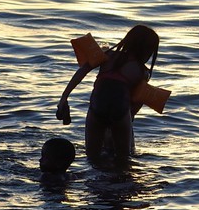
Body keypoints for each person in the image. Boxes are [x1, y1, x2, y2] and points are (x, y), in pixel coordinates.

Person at [56, 24, 160, 166]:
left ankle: (93, 184)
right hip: (121, 111)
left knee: (92, 158)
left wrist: (64, 97)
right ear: (148, 51)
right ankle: (119, 185)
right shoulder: (142, 72)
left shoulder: (106, 55)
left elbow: (81, 72)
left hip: (97, 107)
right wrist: (125, 123)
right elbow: (136, 103)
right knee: (124, 159)